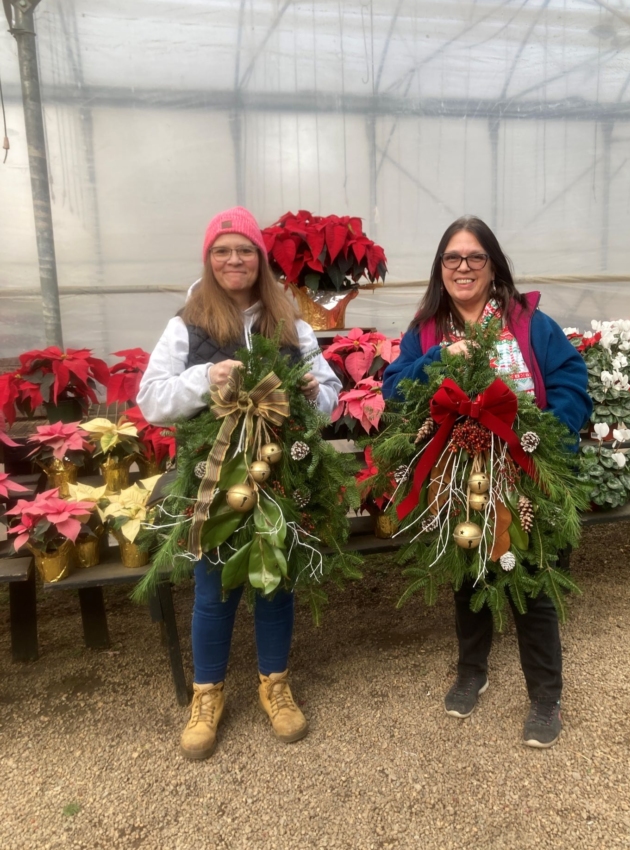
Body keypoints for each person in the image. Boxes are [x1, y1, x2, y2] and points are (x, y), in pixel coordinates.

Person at [137, 207, 341, 760]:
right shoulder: (186, 325)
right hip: (213, 478)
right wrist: (205, 377)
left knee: (276, 583)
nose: (234, 260)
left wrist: (311, 394)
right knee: (214, 589)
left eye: (245, 250)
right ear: (209, 259)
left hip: (280, 475)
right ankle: (207, 694)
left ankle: (275, 684)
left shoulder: (292, 324)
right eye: (222, 250)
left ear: (261, 259)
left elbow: (330, 397)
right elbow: (151, 399)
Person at [382, 216, 591, 748]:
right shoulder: (427, 330)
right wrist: (436, 360)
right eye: (452, 258)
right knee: (468, 576)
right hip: (458, 477)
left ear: (493, 265)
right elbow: (394, 389)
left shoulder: (527, 322)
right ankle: (472, 671)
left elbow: (570, 380)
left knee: (532, 584)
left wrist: (546, 438)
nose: (464, 267)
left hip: (524, 472)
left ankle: (545, 696)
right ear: (440, 268)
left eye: (475, 257)